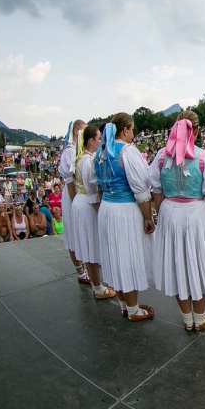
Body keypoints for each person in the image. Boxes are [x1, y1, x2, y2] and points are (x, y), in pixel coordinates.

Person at [150, 113, 205, 331]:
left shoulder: (161, 156)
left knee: (177, 264)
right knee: (199, 262)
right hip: (196, 214)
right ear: (197, 130)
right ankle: (199, 318)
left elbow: (156, 191)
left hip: (170, 212)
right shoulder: (204, 157)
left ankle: (187, 319)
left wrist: (160, 216)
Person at [96, 113, 156, 322]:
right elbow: (141, 189)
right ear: (125, 130)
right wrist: (148, 217)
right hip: (124, 209)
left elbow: (96, 185)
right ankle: (133, 309)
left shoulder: (101, 152)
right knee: (128, 256)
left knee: (115, 255)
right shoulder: (127, 151)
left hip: (107, 208)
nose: (133, 133)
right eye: (132, 129)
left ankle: (125, 304)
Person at [72, 125, 117, 301]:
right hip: (87, 203)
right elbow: (92, 189)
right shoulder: (89, 161)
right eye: (99, 139)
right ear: (91, 141)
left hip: (80, 200)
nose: (101, 142)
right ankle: (98, 288)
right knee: (92, 244)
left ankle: (97, 285)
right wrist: (100, 212)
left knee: (89, 244)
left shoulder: (79, 158)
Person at [59, 119, 91, 284]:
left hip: (77, 192)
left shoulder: (78, 150)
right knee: (72, 231)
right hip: (73, 193)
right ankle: (81, 271)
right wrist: (74, 202)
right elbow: (70, 179)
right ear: (77, 130)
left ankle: (86, 267)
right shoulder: (70, 151)